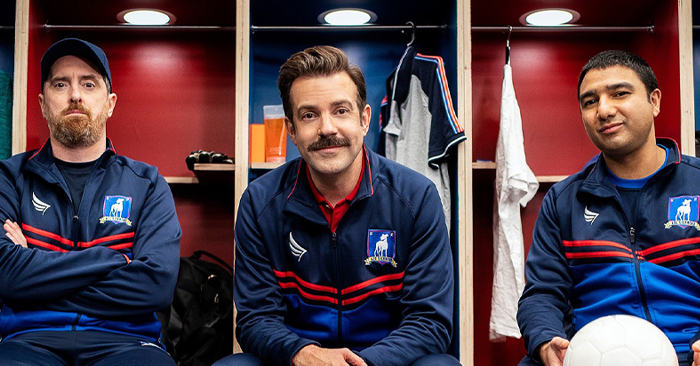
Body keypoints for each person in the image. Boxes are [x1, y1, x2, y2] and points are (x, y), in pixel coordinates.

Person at [213, 46, 459, 366]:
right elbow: (255, 319)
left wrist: (363, 363)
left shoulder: (417, 197)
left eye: (340, 111)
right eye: (309, 115)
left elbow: (431, 321)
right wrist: (303, 354)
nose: (327, 128)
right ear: (292, 131)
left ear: (364, 119)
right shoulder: (259, 204)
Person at [0, 38, 181, 365]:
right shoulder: (9, 178)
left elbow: (155, 287)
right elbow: (5, 276)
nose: (75, 95)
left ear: (110, 103)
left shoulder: (147, 184)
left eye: (89, 83)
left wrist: (35, 271)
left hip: (128, 343)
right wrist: (113, 260)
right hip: (26, 343)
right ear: (43, 103)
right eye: (60, 84)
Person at [517, 49, 700, 366]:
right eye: (590, 102)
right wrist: (545, 340)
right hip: (591, 355)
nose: (603, 110)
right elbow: (542, 293)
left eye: (620, 94)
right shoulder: (564, 200)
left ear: (654, 101)